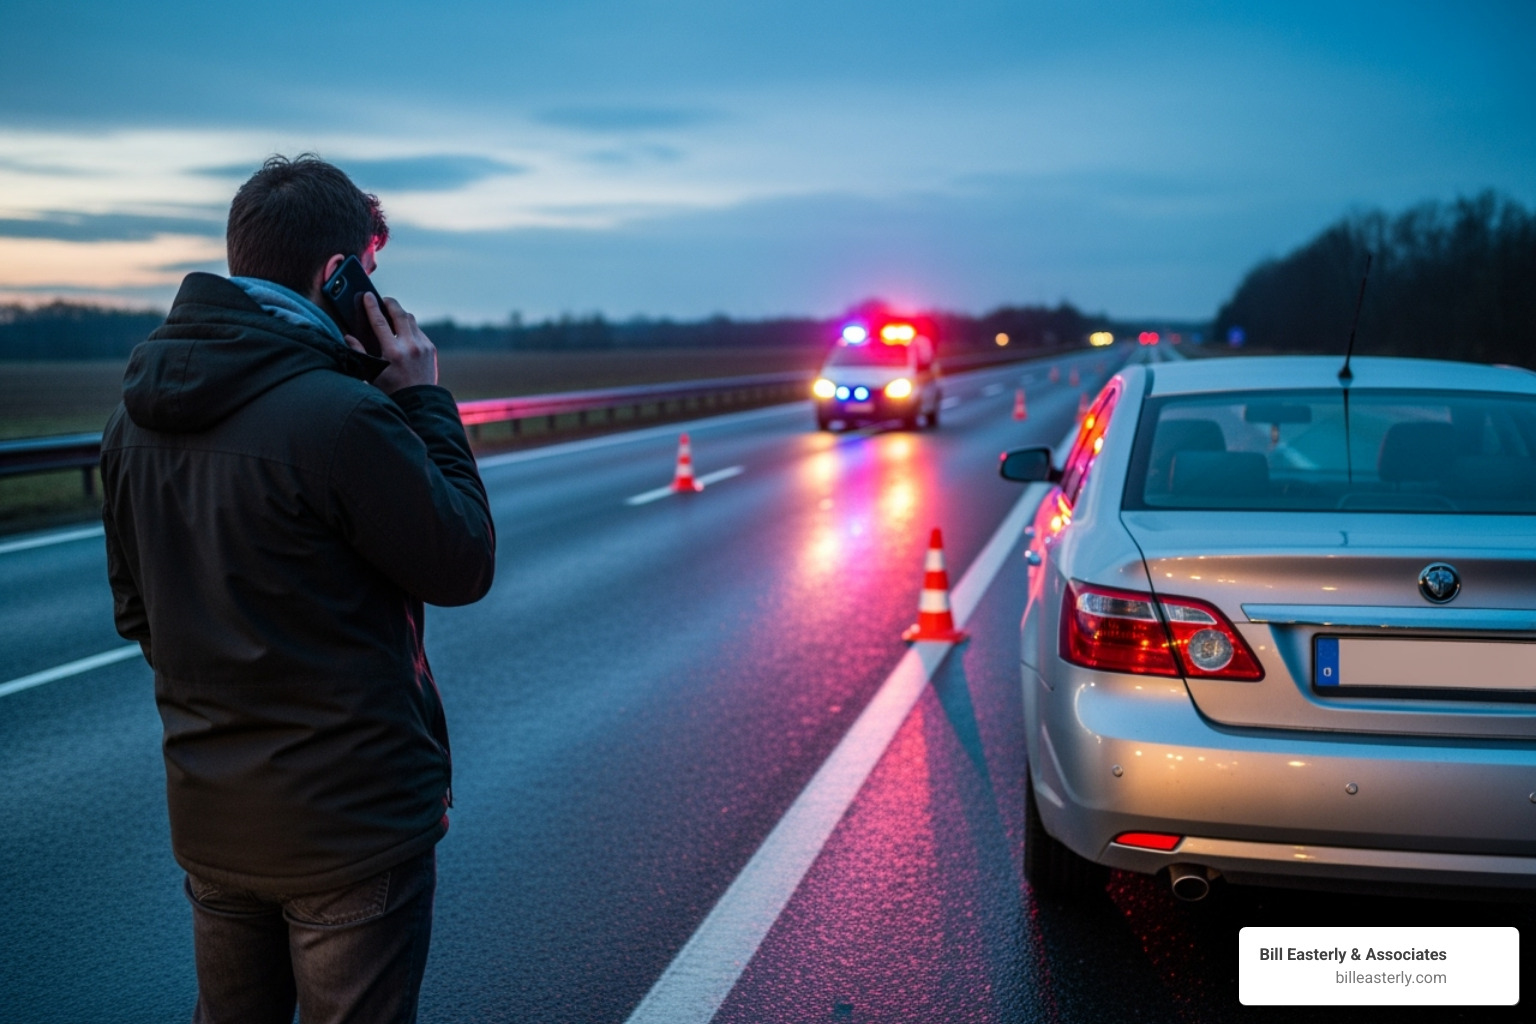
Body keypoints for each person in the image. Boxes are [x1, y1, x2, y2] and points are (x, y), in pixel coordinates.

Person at [100, 154, 496, 1023]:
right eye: (372, 270)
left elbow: (140, 613)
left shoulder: (129, 418)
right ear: (338, 272)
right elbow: (463, 562)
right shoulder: (342, 416)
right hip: (350, 829)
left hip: (212, 821)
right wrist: (424, 401)